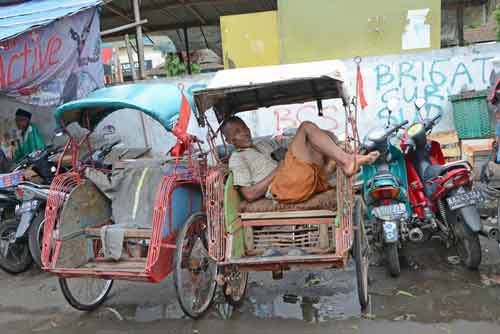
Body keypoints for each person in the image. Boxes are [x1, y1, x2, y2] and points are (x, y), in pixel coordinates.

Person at [222, 116, 379, 204]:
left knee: (323, 136)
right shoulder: (237, 158)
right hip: (281, 186)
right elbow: (249, 194)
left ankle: (343, 158)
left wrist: (332, 143)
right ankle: (347, 161)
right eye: (237, 132)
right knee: (306, 126)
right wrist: (278, 170)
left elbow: (293, 143)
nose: (245, 132)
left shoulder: (262, 143)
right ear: (229, 140)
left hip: (297, 176)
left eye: (244, 127)